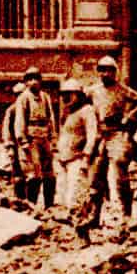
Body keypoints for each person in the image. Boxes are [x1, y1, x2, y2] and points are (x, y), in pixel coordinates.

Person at [74, 55, 137, 242]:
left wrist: (129, 118)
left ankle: (126, 218)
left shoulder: (123, 90)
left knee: (121, 176)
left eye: (109, 70)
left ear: (115, 72)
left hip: (117, 134)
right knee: (94, 180)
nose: (105, 73)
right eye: (102, 70)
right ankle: (91, 219)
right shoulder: (91, 92)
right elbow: (77, 108)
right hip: (98, 135)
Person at [11, 67, 58, 208]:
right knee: (34, 175)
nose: (34, 82)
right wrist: (22, 141)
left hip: (44, 138)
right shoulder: (23, 98)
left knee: (49, 174)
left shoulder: (45, 97)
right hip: (31, 140)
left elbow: (51, 118)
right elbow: (19, 121)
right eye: (30, 79)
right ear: (26, 82)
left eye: (36, 79)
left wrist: (53, 138)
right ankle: (32, 205)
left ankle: (49, 206)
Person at [56, 79, 98, 209]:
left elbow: (92, 135)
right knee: (61, 197)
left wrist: (86, 157)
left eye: (70, 94)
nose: (66, 98)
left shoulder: (87, 111)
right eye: (64, 94)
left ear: (79, 95)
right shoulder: (67, 113)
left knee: (74, 198)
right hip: (63, 158)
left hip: (77, 159)